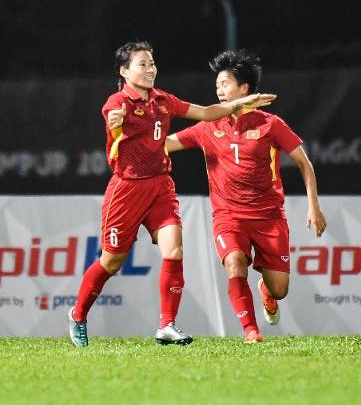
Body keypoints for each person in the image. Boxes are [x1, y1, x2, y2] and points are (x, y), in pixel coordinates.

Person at [68, 41, 276, 347]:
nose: (150, 69)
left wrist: (243, 103)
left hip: (161, 186)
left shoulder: (163, 100)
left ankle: (167, 325)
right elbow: (112, 118)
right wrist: (115, 123)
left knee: (174, 251)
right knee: (111, 262)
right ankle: (78, 314)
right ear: (124, 71)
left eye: (152, 63)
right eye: (142, 64)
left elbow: (206, 113)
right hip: (126, 190)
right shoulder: (118, 102)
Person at [165, 50, 326, 343]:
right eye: (217, 84)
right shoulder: (208, 126)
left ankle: (267, 292)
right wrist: (127, 134)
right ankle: (251, 331)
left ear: (244, 89)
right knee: (234, 262)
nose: (219, 89)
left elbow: (305, 163)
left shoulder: (270, 124)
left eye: (225, 83)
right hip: (228, 216)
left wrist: (314, 207)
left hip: (268, 217)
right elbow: (164, 145)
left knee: (279, 289)